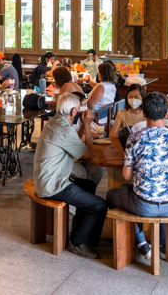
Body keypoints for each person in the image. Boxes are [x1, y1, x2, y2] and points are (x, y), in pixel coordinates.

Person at [106, 92, 168, 260]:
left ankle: (140, 241)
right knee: (163, 192)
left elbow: (126, 175)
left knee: (112, 195)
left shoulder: (134, 138)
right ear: (166, 114)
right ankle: (162, 245)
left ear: (143, 113)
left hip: (143, 205)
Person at [33, 93, 108, 259]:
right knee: (99, 205)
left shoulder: (57, 122)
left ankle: (81, 233)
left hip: (48, 178)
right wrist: (87, 125)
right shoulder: (63, 129)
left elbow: (74, 140)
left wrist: (82, 125)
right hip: (53, 184)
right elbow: (87, 154)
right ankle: (78, 243)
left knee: (88, 186)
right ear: (75, 110)